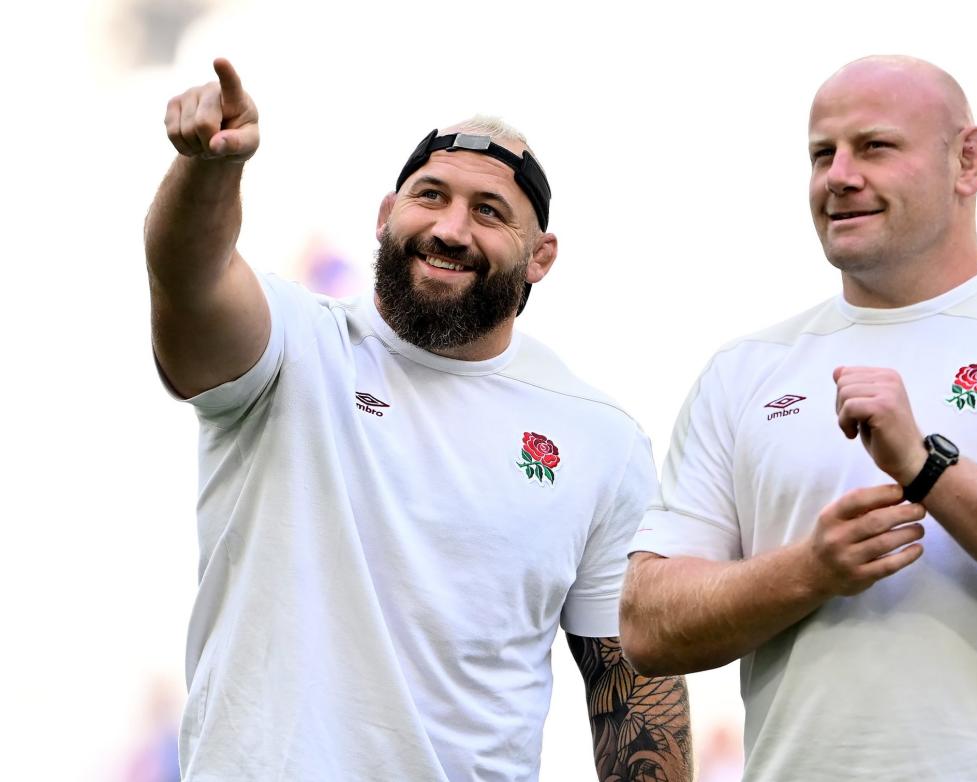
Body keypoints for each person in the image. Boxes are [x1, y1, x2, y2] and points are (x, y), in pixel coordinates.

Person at [619, 55, 977, 781]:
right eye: (822, 154)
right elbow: (647, 622)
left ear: (968, 161)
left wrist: (927, 466)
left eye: (874, 146)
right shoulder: (746, 369)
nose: (839, 175)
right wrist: (809, 570)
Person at [146, 58, 690, 781]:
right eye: (429, 196)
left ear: (541, 257)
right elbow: (191, 273)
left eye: (489, 211)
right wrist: (207, 173)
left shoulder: (600, 439)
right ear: (384, 216)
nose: (451, 229)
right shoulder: (294, 348)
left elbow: (632, 692)